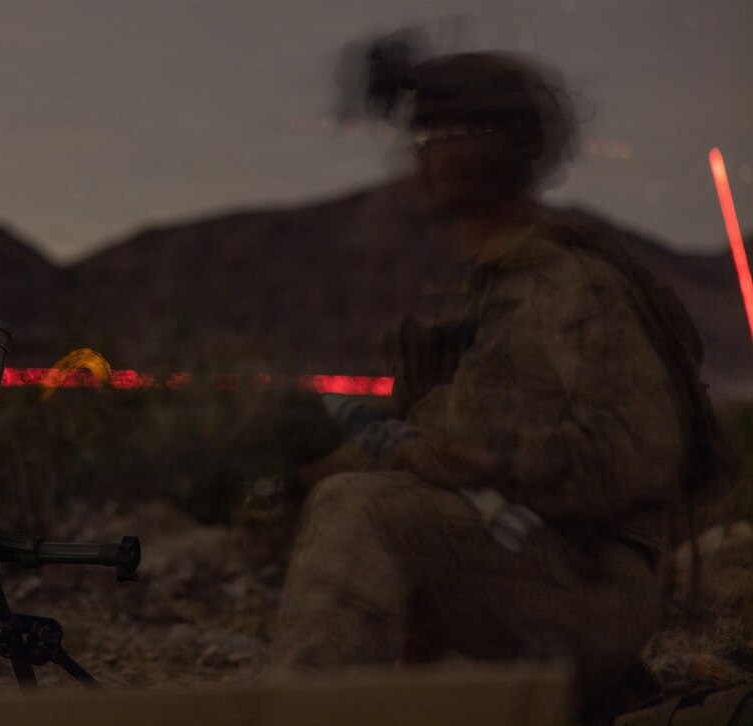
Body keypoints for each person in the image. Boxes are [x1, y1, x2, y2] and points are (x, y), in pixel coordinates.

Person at [265, 50, 730, 712]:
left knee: (360, 510)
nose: (430, 153)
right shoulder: (485, 297)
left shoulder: (567, 284)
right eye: (426, 135)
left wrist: (479, 459)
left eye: (453, 133)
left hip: (589, 586)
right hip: (525, 569)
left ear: (505, 147)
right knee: (361, 496)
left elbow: (642, 452)